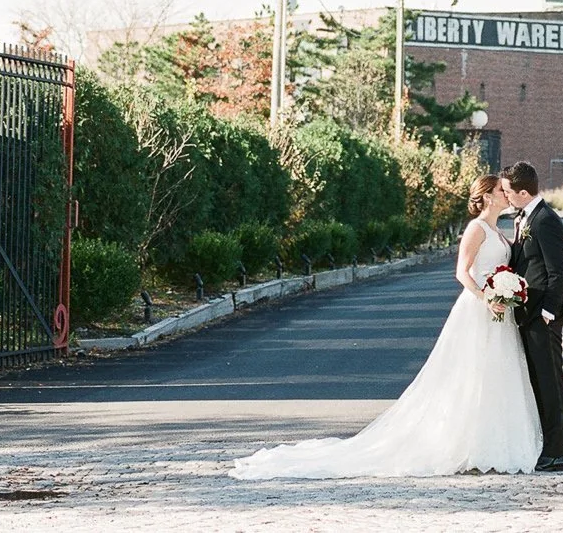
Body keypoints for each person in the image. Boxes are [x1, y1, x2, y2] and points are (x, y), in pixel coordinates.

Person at [231, 174, 542, 479]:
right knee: (469, 376)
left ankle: (492, 443)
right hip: (477, 311)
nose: (507, 194)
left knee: (495, 375)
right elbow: (462, 272)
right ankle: (466, 445)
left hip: (498, 315)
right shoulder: (476, 229)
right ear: (487, 196)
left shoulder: (499, 231)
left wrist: (507, 290)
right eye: (502, 190)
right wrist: (484, 296)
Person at [500, 161, 563, 472]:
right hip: (528, 313)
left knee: (550, 383)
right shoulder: (525, 217)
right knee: (538, 383)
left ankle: (556, 452)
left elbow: (558, 273)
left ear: (524, 192)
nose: (505, 197)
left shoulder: (545, 221)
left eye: (508, 192)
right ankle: (546, 446)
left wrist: (546, 312)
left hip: (543, 315)